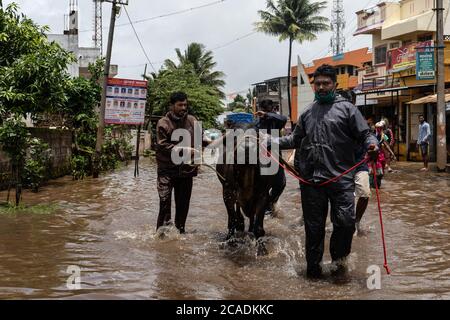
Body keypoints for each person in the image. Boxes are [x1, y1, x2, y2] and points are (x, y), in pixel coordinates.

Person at [274, 64, 378, 278]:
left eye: (326, 83)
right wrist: (271, 142)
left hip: (341, 181)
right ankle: (313, 272)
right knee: (313, 230)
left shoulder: (348, 110)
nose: (321, 87)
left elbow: (366, 135)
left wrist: (373, 145)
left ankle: (339, 265)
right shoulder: (307, 113)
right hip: (311, 181)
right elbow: (294, 139)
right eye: (318, 84)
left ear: (334, 85)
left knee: (346, 223)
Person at [155, 91, 199, 234]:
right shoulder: (163, 123)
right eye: (180, 105)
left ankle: (180, 233)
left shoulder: (193, 121)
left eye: (185, 104)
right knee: (164, 203)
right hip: (166, 170)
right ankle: (162, 235)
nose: (183, 108)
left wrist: (220, 140)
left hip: (186, 171)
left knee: (183, 206)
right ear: (172, 105)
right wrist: (185, 150)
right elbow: (162, 145)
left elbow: (200, 142)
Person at [255, 99, 288, 216]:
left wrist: (267, 115)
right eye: (262, 110)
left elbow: (284, 119)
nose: (263, 113)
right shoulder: (257, 123)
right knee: (261, 185)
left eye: (267, 110)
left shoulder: (277, 121)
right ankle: (263, 205)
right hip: (261, 157)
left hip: (276, 156)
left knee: (280, 183)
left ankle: (270, 202)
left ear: (272, 110)